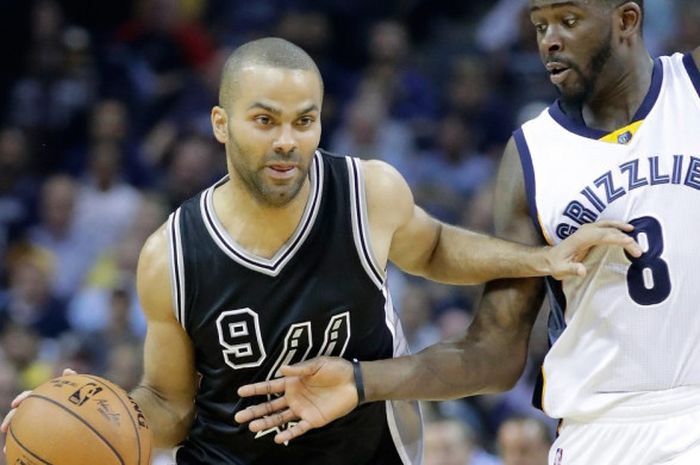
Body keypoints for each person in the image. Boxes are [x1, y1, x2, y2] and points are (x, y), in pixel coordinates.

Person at [1, 37, 638, 465]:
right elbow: (168, 403)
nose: (287, 140)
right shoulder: (170, 256)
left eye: (304, 121)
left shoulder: (368, 191)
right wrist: (87, 412)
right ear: (222, 124)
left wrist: (541, 258)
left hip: (368, 451)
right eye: (265, 120)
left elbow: (437, 247)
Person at [233, 4, 700, 464]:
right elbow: (494, 352)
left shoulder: (691, 85)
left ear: (627, 20)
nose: (549, 40)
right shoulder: (533, 154)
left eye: (569, 21)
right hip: (600, 432)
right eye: (540, 25)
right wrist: (362, 381)